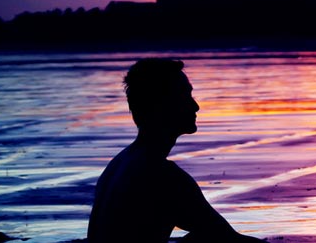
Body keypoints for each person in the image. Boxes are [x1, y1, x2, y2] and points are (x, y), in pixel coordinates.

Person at [88, 59, 267, 243]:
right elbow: (230, 239)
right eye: (184, 96)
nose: (195, 106)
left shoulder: (120, 163)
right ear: (161, 105)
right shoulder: (161, 175)